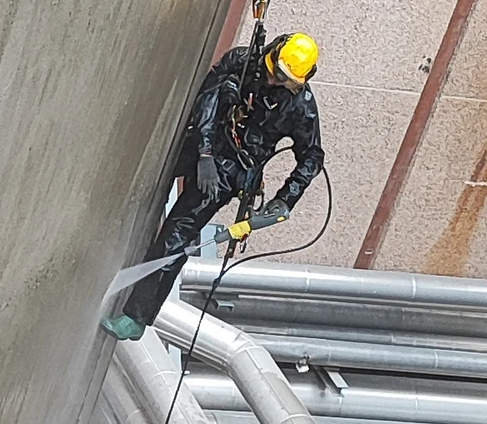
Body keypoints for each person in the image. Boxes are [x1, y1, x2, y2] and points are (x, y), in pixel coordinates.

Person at [104, 30, 323, 340]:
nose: (274, 82)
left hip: (230, 171)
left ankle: (135, 317)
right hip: (202, 142)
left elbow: (312, 156)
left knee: (175, 238)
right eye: (274, 73)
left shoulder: (301, 107)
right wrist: (205, 152)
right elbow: (207, 98)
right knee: (142, 186)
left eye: (284, 80)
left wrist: (286, 199)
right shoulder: (244, 61)